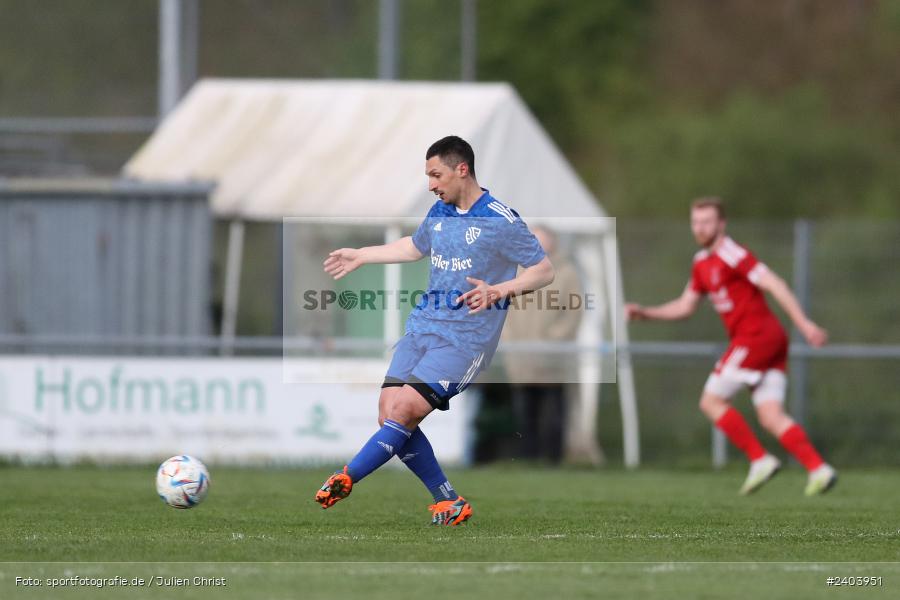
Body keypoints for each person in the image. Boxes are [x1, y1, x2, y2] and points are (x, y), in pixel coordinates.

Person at [315, 135, 555, 524]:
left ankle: (347, 476)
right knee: (389, 412)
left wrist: (500, 290)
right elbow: (414, 246)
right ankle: (449, 501)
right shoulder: (440, 212)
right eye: (428, 176)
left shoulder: (500, 219)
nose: (430, 184)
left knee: (406, 409)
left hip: (466, 339)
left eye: (435, 174)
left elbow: (543, 270)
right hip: (423, 326)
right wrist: (363, 255)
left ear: (462, 170)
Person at [625, 197, 836, 496]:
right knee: (771, 416)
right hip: (768, 341)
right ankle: (819, 469)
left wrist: (805, 325)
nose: (700, 227)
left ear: (721, 224)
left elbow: (774, 283)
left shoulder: (730, 252)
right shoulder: (702, 263)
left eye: (707, 221)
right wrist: (645, 313)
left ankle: (760, 460)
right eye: (696, 222)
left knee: (710, 401)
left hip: (756, 338)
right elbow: (686, 306)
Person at [502, 226, 583, 464]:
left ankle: (554, 460)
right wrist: (510, 341)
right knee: (524, 413)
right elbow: (504, 312)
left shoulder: (566, 273)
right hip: (520, 360)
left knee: (555, 413)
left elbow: (573, 314)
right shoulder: (515, 272)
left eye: (542, 240)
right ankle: (528, 460)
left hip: (554, 361)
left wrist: (552, 342)